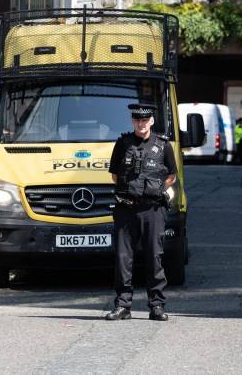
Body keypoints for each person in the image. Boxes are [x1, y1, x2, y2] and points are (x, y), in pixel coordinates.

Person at [104, 103, 178, 322]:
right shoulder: (123, 144)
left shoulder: (163, 146)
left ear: (152, 121)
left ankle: (156, 306)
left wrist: (153, 191)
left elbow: (171, 176)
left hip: (152, 208)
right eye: (137, 120)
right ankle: (123, 305)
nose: (141, 123)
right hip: (126, 208)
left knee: (154, 256)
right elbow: (115, 176)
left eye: (145, 120)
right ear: (132, 121)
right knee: (123, 257)